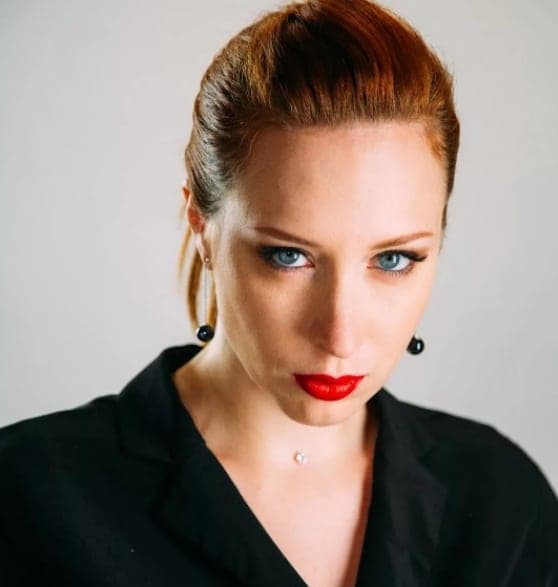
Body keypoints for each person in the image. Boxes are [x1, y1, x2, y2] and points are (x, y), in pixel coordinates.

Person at [1, 0, 556, 585]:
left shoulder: (500, 501)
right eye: (288, 256)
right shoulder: (28, 500)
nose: (340, 336)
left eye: (393, 259)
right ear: (200, 224)